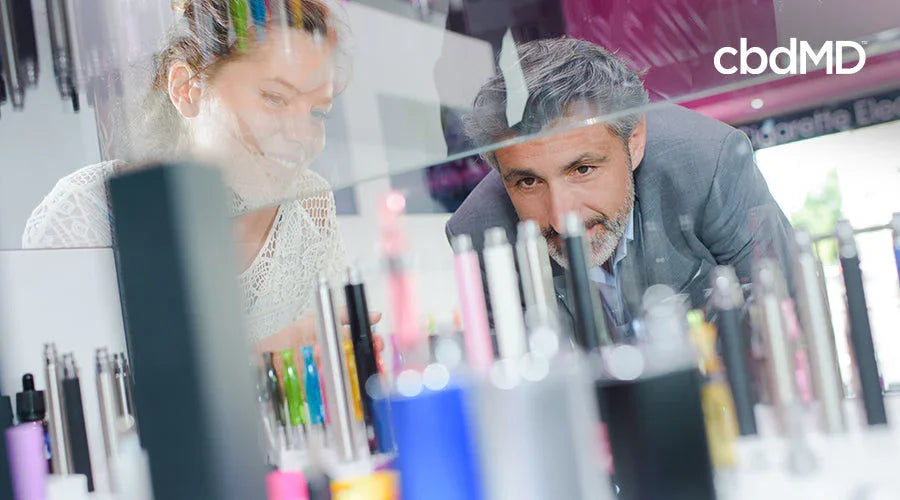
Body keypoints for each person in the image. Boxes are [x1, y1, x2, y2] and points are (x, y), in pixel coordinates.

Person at [22, 0, 377, 350]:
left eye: (318, 113)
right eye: (274, 98)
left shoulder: (310, 202)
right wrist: (266, 363)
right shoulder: (83, 215)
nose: (302, 134)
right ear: (185, 88)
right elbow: (58, 395)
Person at [446, 37, 793, 337]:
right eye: (528, 181)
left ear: (635, 141)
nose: (561, 215)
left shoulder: (710, 164)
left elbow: (789, 318)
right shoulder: (479, 233)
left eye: (582, 169)